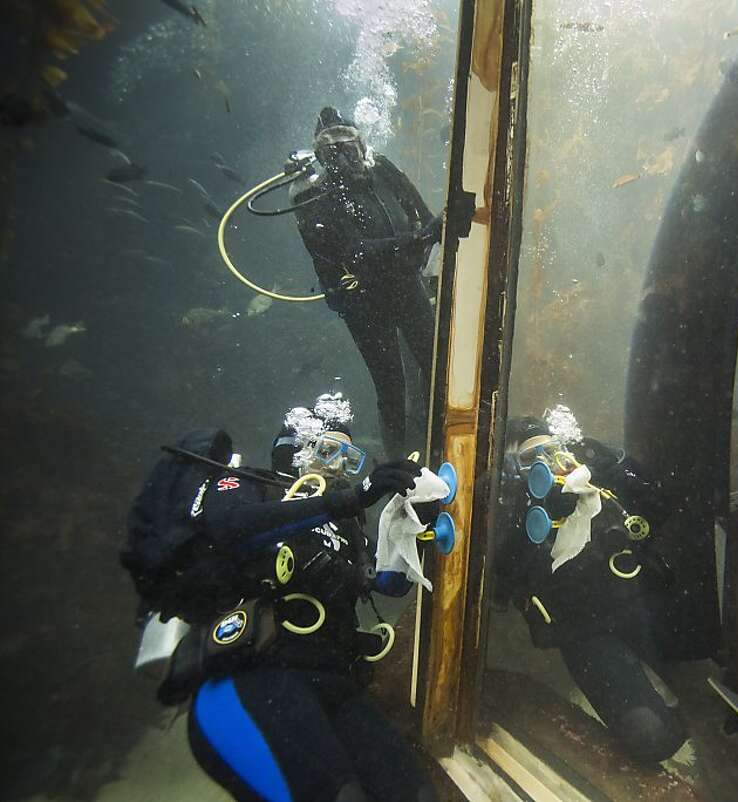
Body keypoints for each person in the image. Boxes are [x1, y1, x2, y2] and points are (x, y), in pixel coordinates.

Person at [135, 398, 434, 802]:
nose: (337, 467)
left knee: (414, 795)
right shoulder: (248, 486)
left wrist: (417, 524)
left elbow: (387, 583)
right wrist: (353, 497)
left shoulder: (344, 525)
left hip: (334, 680)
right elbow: (231, 529)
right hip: (254, 677)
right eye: (327, 450)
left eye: (350, 459)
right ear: (295, 449)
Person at [493, 414, 686, 765]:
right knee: (652, 738)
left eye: (551, 452)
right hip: (582, 629)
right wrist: (532, 525)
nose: (546, 466)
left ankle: (678, 703)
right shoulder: (512, 506)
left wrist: (613, 462)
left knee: (700, 699)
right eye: (528, 461)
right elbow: (498, 587)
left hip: (635, 599)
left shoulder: (595, 481)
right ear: (513, 470)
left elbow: (661, 504)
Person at [292, 107, 444, 459]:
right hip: (363, 300)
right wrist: (420, 239)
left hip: (405, 283)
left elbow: (421, 212)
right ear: (322, 158)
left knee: (436, 364)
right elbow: (355, 252)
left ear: (362, 144)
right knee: (390, 384)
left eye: (350, 147)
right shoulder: (323, 196)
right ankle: (396, 466)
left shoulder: (383, 169)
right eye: (333, 153)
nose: (346, 159)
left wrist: (429, 238)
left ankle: (439, 445)